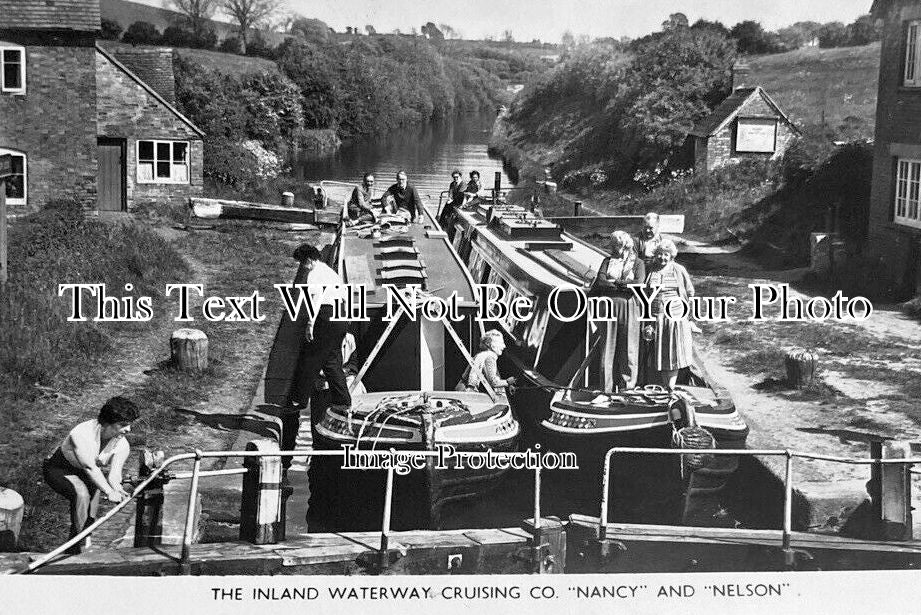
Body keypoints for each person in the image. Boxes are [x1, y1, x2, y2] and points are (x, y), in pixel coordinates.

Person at [42, 396, 139, 554]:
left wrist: (118, 490)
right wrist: (109, 492)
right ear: (107, 423)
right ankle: (74, 547)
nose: (129, 429)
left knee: (91, 508)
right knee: (82, 494)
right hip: (59, 468)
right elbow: (90, 467)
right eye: (123, 425)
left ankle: (82, 541)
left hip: (88, 473)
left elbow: (114, 475)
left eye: (129, 424)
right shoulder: (81, 434)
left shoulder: (122, 444)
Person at [289, 243, 351, 427]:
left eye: (302, 262)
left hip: (325, 317)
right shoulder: (330, 272)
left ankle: (298, 400)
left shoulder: (314, 275)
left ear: (307, 259)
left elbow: (314, 301)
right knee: (331, 360)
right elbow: (344, 295)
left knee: (310, 358)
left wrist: (310, 324)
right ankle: (343, 400)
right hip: (339, 317)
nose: (302, 266)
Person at [589, 230, 645, 391]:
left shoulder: (638, 263)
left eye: (616, 246)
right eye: (613, 246)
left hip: (630, 306)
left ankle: (627, 387)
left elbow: (639, 283)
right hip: (608, 306)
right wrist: (623, 285)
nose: (613, 249)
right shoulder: (607, 261)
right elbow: (600, 281)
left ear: (625, 246)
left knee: (629, 348)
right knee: (608, 347)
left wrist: (615, 283)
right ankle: (606, 388)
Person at [643, 238, 695, 390]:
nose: (662, 258)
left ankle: (670, 386)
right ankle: (666, 386)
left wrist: (688, 315)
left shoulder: (678, 269)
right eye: (660, 254)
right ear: (655, 254)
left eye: (666, 255)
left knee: (673, 352)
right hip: (656, 316)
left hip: (675, 316)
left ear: (672, 256)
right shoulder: (650, 269)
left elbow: (690, 292)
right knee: (661, 352)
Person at [459, 329, 517, 395]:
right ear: (490, 344)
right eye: (500, 343)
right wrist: (508, 382)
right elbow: (493, 382)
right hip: (467, 393)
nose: (504, 346)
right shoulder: (490, 357)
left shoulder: (483, 354)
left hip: (462, 389)